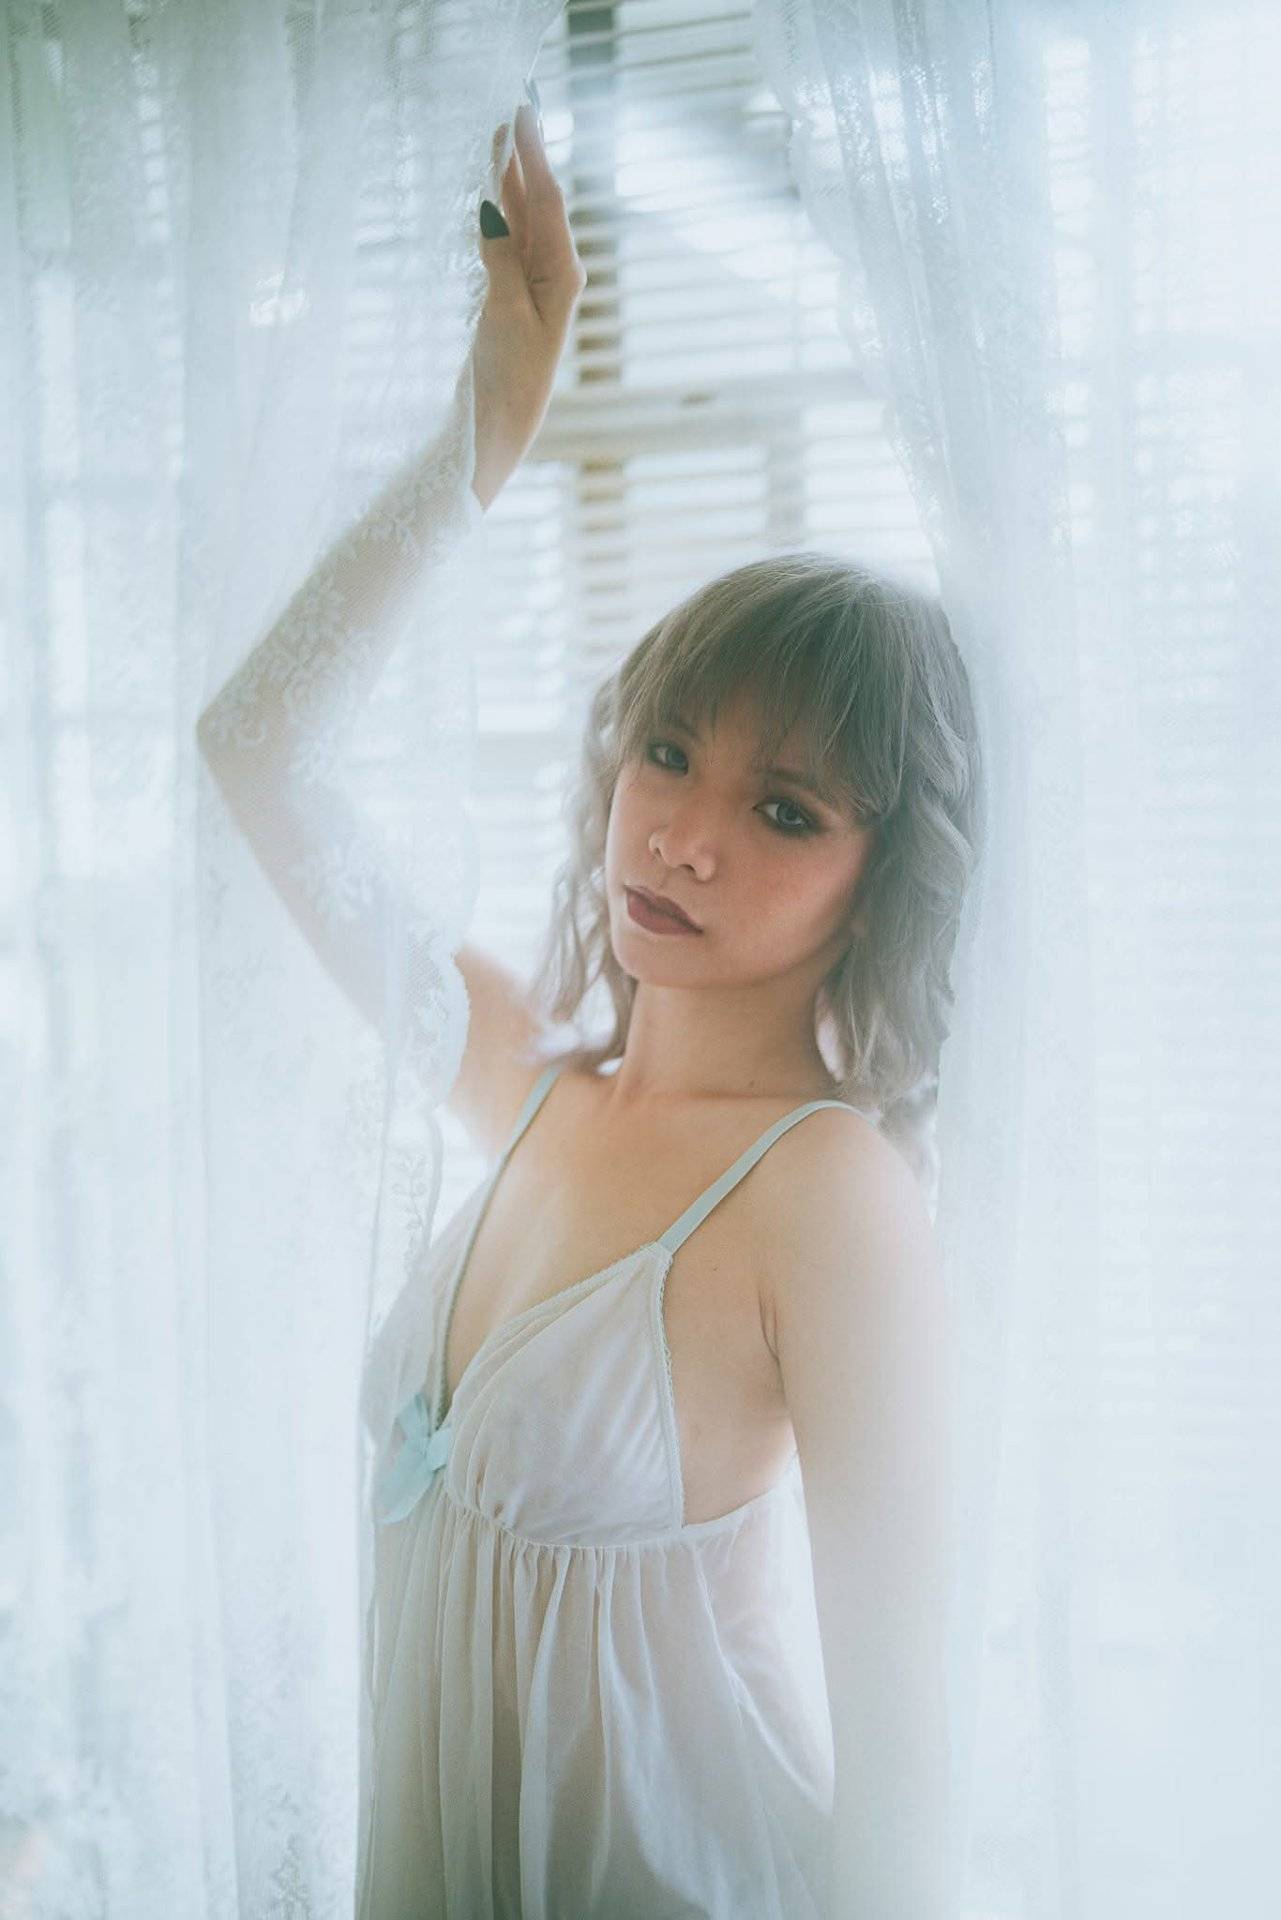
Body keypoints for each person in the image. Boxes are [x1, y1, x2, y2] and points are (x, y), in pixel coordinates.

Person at [197, 92, 982, 1920]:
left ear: (887, 876)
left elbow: (908, 1752)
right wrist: (485, 432)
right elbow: (252, 748)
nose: (683, 836)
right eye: (669, 751)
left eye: (785, 811)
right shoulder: (531, 1082)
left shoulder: (825, 1191)